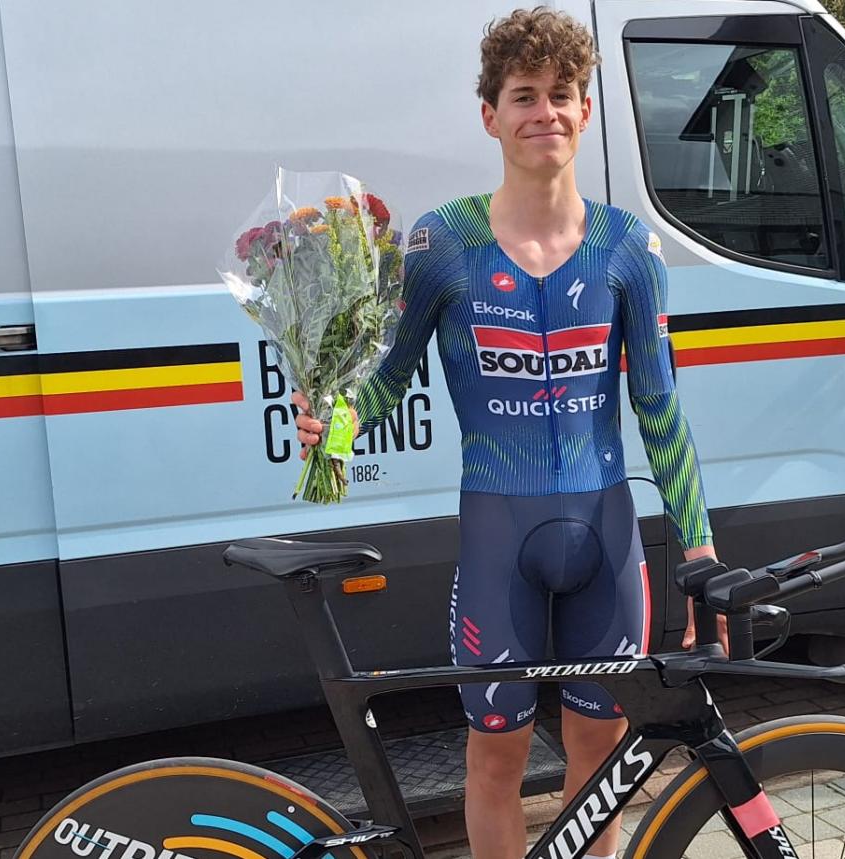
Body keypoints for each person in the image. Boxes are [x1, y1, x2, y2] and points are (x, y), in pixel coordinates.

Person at [294, 8, 721, 858]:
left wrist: (700, 547)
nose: (545, 112)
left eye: (562, 94)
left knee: (602, 755)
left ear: (586, 111)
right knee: (496, 759)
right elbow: (387, 380)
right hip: (498, 536)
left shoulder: (627, 246)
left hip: (605, 533)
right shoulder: (442, 243)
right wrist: (332, 428)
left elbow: (660, 409)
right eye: (524, 96)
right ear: (490, 115)